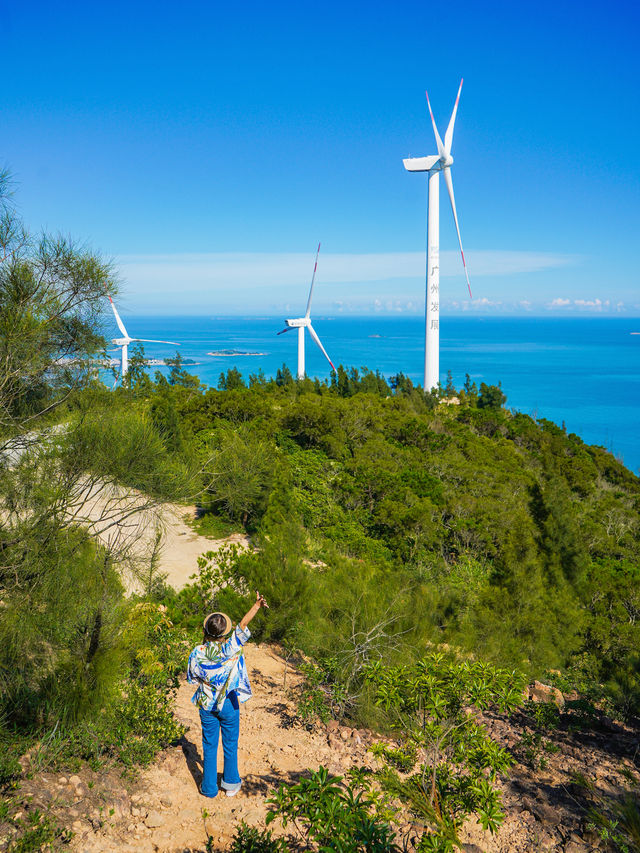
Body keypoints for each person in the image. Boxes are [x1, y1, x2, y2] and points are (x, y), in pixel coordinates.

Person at [187, 590, 269, 798]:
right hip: (229, 704)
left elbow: (193, 678)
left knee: (209, 745)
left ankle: (209, 789)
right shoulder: (231, 647)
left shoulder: (197, 652)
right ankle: (231, 785)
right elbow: (242, 625)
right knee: (230, 744)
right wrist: (256, 605)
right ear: (225, 634)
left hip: (207, 703)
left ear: (206, 631)